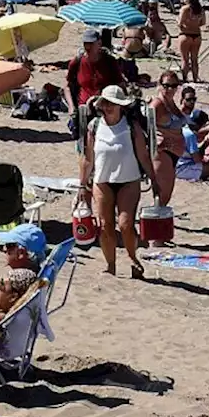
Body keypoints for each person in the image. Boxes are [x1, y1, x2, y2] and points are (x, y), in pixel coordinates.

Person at [79, 85, 157, 279]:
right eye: (105, 103)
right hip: (102, 181)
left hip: (129, 180)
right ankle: (110, 265)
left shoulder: (131, 126)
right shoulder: (94, 126)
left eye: (112, 104)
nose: (108, 107)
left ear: (122, 106)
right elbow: (88, 158)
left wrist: (154, 180)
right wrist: (82, 185)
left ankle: (132, 258)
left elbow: (143, 156)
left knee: (125, 224)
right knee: (105, 225)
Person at [150, 71, 187, 210]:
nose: (170, 89)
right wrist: (157, 143)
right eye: (166, 85)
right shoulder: (157, 104)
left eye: (174, 85)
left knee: (165, 196)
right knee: (162, 196)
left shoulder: (171, 103)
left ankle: (157, 221)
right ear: (160, 85)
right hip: (163, 153)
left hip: (174, 153)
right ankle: (154, 223)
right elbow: (144, 125)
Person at [66, 29, 125, 113]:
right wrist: (71, 106)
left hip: (106, 106)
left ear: (99, 43)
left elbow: (120, 84)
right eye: (85, 44)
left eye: (91, 44)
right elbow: (67, 87)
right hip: (84, 107)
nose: (88, 47)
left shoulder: (109, 61)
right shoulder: (77, 62)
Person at [177, 0, 206, 83]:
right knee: (194, 59)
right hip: (197, 35)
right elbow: (203, 23)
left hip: (185, 34)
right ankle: (195, 79)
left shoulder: (185, 9)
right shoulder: (200, 9)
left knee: (185, 59)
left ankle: (185, 79)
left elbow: (180, 23)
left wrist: (178, 22)